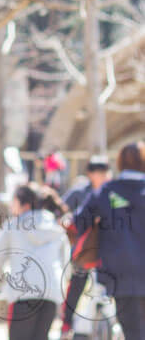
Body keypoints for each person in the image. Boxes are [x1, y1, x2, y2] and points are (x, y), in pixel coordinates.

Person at [74, 141, 145, 340]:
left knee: (132, 332)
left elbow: (79, 222)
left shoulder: (107, 191)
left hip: (119, 274)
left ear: (120, 162)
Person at [0, 182, 70, 340]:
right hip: (51, 292)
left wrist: (3, 281)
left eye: (13, 201)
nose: (12, 206)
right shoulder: (56, 227)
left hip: (22, 293)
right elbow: (66, 263)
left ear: (23, 204)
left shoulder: (13, 226)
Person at [59, 155, 111, 339]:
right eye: (99, 172)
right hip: (83, 251)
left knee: (107, 288)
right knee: (76, 288)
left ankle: (105, 325)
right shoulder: (80, 193)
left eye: (105, 171)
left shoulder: (111, 192)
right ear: (90, 173)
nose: (103, 175)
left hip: (106, 250)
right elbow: (63, 211)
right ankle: (66, 324)